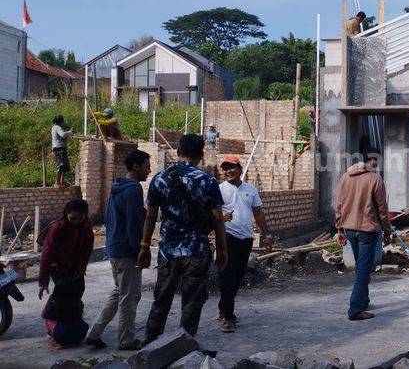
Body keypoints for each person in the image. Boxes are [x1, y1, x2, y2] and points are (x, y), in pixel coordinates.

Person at [137, 134, 228, 344]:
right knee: (192, 301)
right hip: (196, 251)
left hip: (168, 250)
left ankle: (150, 342)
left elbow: (150, 216)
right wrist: (223, 249)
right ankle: (184, 345)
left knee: (162, 298)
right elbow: (218, 220)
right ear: (201, 155)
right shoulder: (207, 180)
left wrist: (144, 246)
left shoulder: (159, 178)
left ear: (178, 152)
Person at [85, 149, 151, 350]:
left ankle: (94, 333)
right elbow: (133, 225)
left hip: (114, 248)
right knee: (130, 297)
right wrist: (141, 249)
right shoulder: (133, 190)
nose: (149, 170)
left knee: (119, 292)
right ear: (136, 167)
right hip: (126, 251)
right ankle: (126, 340)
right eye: (147, 166)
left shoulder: (118, 187)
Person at [217, 155, 272, 333]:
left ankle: (223, 307)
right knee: (228, 275)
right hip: (227, 237)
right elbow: (212, 213)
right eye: (225, 168)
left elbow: (258, 213)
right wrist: (221, 219)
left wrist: (267, 235)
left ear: (240, 169)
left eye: (232, 167)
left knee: (239, 275)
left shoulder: (251, 190)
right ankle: (228, 317)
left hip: (246, 239)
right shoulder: (219, 190)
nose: (229, 171)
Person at [335, 148, 391, 321]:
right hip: (367, 230)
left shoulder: (345, 177)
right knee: (363, 270)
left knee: (361, 266)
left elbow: (339, 205)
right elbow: (382, 210)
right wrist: (387, 230)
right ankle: (355, 310)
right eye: (375, 160)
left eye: (377, 160)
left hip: (350, 229)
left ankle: (364, 301)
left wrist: (339, 228)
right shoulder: (375, 179)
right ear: (370, 160)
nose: (376, 163)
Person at [38, 199, 94, 349]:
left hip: (75, 267)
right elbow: (46, 255)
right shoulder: (58, 227)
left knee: (76, 294)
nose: (76, 222)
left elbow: (88, 247)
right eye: (73, 218)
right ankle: (51, 319)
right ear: (66, 214)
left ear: (85, 216)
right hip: (58, 267)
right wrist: (43, 282)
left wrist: (82, 267)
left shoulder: (86, 225)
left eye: (80, 218)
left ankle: (72, 321)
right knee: (63, 294)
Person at [51, 115, 74, 187]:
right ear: (60, 121)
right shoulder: (57, 127)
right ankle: (57, 182)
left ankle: (61, 182)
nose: (63, 122)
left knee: (65, 166)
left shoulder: (56, 127)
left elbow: (61, 137)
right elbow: (63, 134)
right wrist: (70, 132)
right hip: (59, 148)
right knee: (61, 165)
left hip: (61, 148)